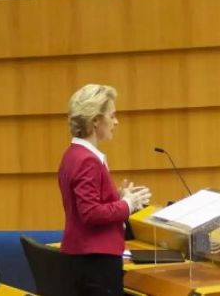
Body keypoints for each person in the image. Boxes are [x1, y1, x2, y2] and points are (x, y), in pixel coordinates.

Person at [58, 84, 152, 296]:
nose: (116, 122)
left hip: (82, 259)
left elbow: (85, 203)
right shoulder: (87, 160)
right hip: (95, 263)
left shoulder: (72, 154)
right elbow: (90, 213)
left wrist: (117, 198)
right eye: (112, 116)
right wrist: (128, 204)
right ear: (95, 120)